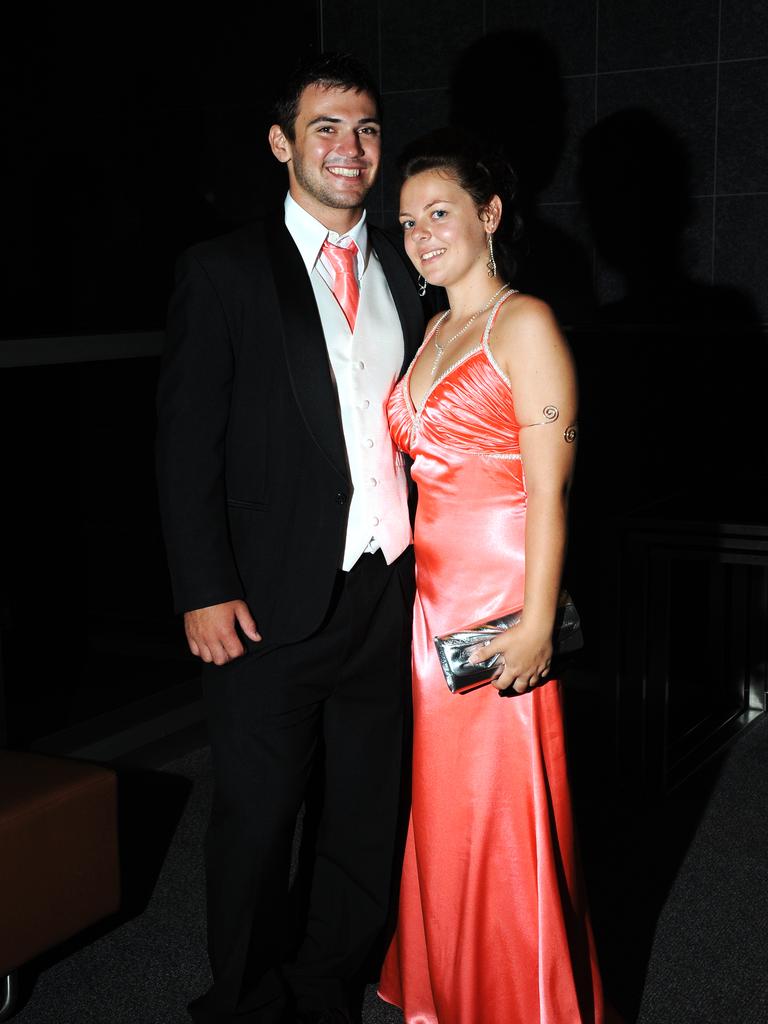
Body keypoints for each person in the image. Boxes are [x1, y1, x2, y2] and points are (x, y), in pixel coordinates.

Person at [156, 53, 424, 1024]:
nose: (349, 150)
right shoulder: (223, 270)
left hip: (387, 592)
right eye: (325, 128)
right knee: (260, 820)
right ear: (281, 144)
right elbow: (187, 448)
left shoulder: (407, 262)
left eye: (365, 130)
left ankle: (323, 989)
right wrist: (201, 585)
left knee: (366, 815)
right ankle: (240, 1001)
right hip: (264, 601)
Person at [378, 129, 605, 1023]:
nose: (422, 233)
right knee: (446, 809)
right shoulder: (436, 326)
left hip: (501, 602)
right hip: (433, 610)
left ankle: (522, 998)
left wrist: (539, 621)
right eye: (406, 221)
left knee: (506, 814)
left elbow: (549, 493)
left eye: (440, 212)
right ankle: (455, 989)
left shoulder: (526, 322)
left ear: (489, 214)